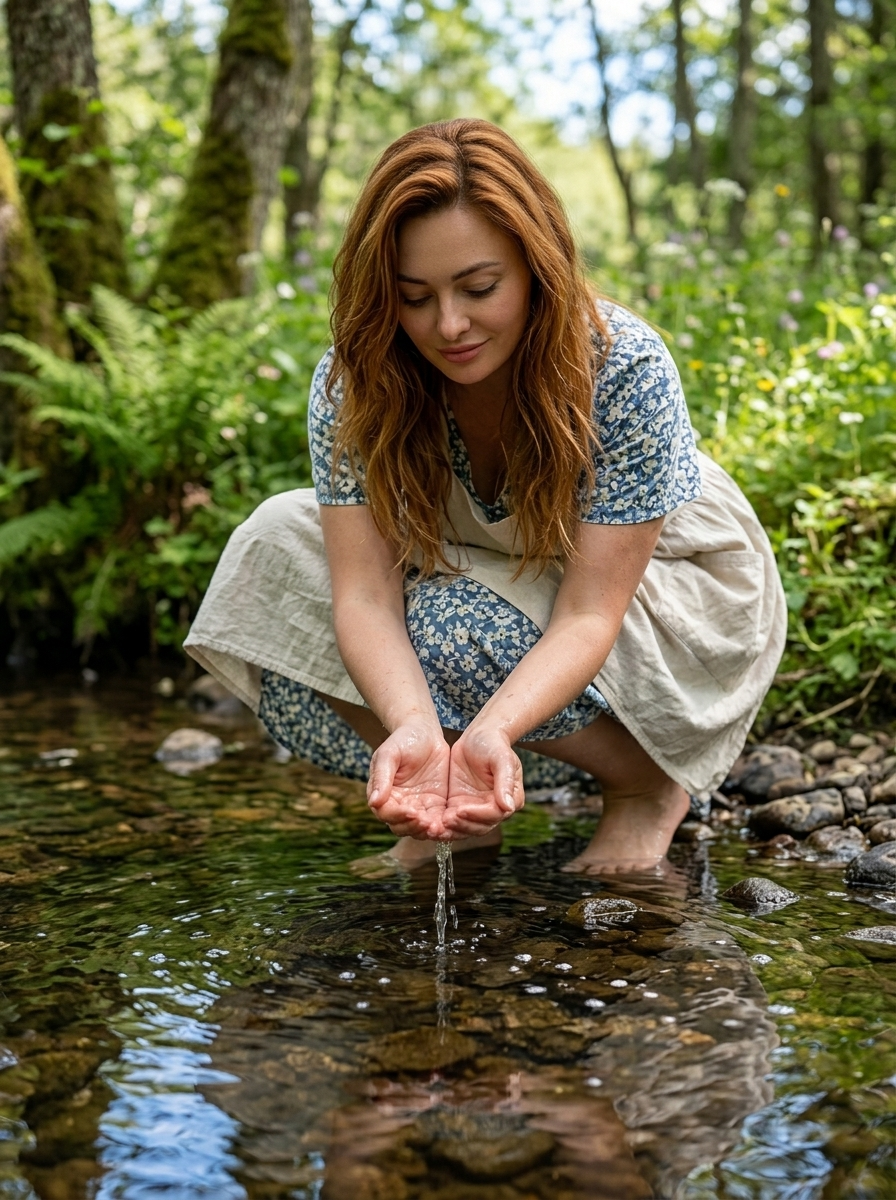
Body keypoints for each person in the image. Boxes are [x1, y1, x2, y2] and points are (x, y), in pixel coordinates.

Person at [185, 118, 786, 874]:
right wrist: (412, 728)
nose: (449, 325)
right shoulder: (356, 378)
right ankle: (452, 803)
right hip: (482, 564)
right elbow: (364, 597)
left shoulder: (623, 366)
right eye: (414, 297)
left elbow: (590, 612)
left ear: (539, 267)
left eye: (479, 288)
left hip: (662, 590)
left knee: (448, 628)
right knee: (269, 547)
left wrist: (493, 730)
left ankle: (645, 786)